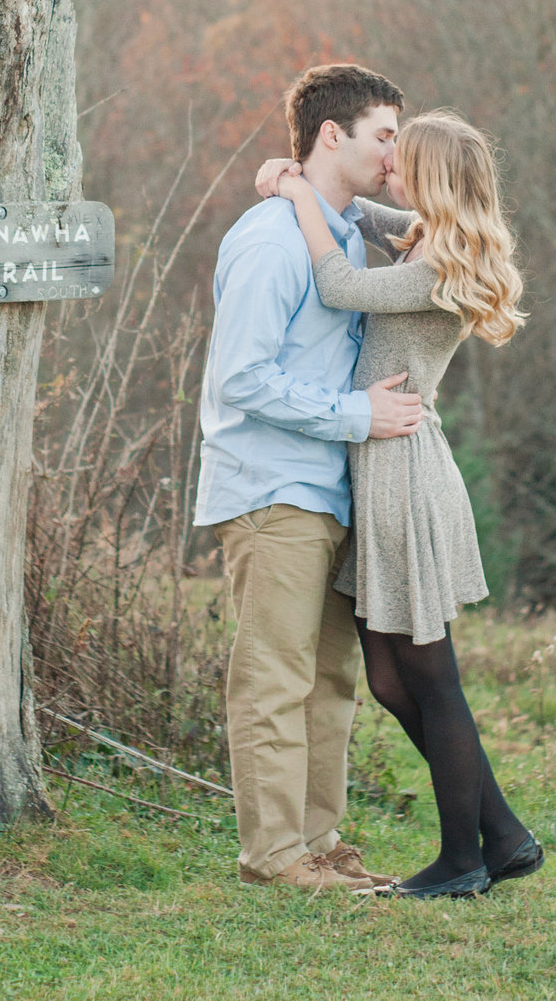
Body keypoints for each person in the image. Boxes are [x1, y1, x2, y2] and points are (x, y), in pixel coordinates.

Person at [254, 108, 544, 898]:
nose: (391, 167)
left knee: (430, 675)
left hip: (400, 473)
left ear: (436, 179)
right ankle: (505, 834)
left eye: (403, 159)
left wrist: (299, 202)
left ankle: (463, 860)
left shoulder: (439, 267)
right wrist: (303, 186)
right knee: (389, 678)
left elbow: (341, 283)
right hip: (380, 463)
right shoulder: (429, 238)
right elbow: (370, 216)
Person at [194, 63, 425, 893]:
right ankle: (274, 855)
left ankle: (318, 846)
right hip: (272, 491)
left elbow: (433, 217)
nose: (395, 155)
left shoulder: (340, 230)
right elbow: (241, 378)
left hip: (330, 492)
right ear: (334, 135)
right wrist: (357, 416)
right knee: (273, 680)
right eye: (385, 137)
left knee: (330, 680)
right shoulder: (269, 240)